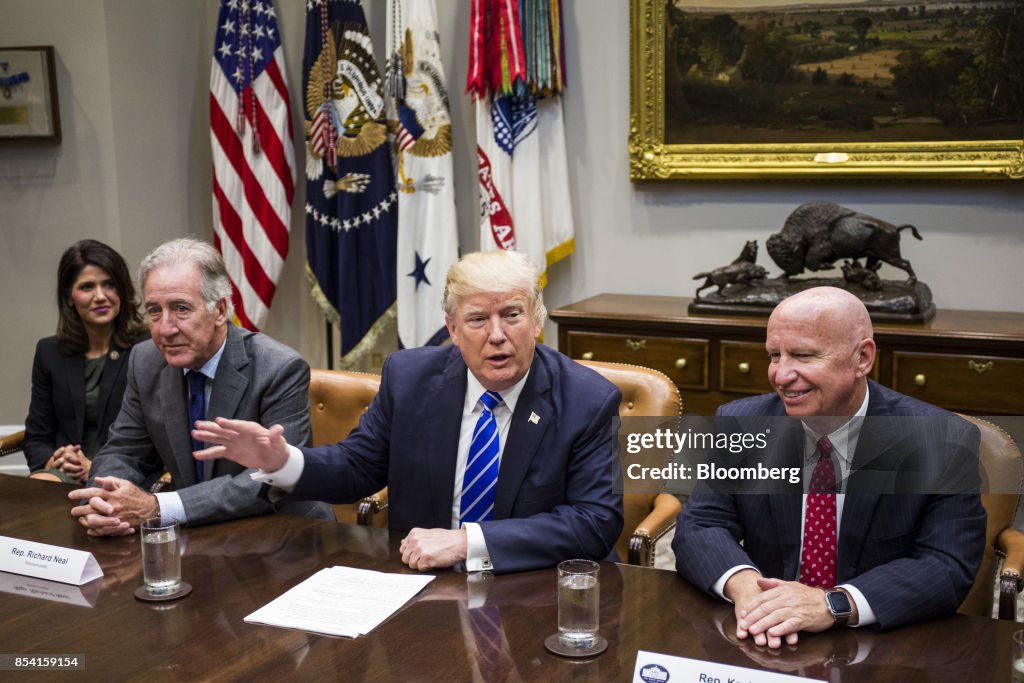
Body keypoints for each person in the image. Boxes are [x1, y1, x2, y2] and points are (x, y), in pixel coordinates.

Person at [193, 250, 623, 573]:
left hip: (540, 586)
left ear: (537, 320)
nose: (497, 335)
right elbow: (358, 466)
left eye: (512, 315)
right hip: (427, 585)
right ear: (452, 329)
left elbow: (595, 521)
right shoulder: (410, 378)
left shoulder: (587, 400)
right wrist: (282, 461)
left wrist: (467, 541)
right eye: (477, 319)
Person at [674, 286, 985, 647]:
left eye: (804, 355)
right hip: (767, 635)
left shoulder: (942, 440)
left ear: (862, 358)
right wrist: (749, 590)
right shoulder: (742, 422)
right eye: (775, 355)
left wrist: (832, 603)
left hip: (881, 642)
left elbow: (946, 565)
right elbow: (701, 524)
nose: (781, 375)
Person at [68, 238, 331, 534]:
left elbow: (271, 479)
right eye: (154, 311)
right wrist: (106, 501)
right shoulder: (146, 361)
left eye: (181, 309)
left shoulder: (279, 368)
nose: (166, 328)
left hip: (281, 532)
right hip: (194, 532)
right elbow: (124, 451)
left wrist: (157, 507)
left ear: (219, 310)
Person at [25, 240, 147, 484]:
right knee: (40, 486)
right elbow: (37, 436)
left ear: (122, 291)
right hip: (64, 473)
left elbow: (157, 436)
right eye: (87, 287)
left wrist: (95, 466)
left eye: (109, 285)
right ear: (69, 296)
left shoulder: (146, 347)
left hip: (125, 475)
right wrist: (55, 460)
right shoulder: (49, 352)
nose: (100, 296)